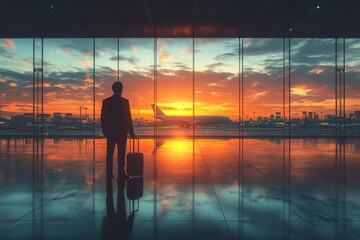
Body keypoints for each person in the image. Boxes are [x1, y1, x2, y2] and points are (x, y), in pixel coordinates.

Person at [101, 82, 136, 183]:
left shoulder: (106, 101)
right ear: (120, 89)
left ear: (113, 89)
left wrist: (105, 132)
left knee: (109, 154)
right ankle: (121, 173)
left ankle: (109, 173)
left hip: (110, 133)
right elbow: (128, 118)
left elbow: (103, 118)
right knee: (121, 154)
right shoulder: (125, 102)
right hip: (121, 132)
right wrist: (132, 133)